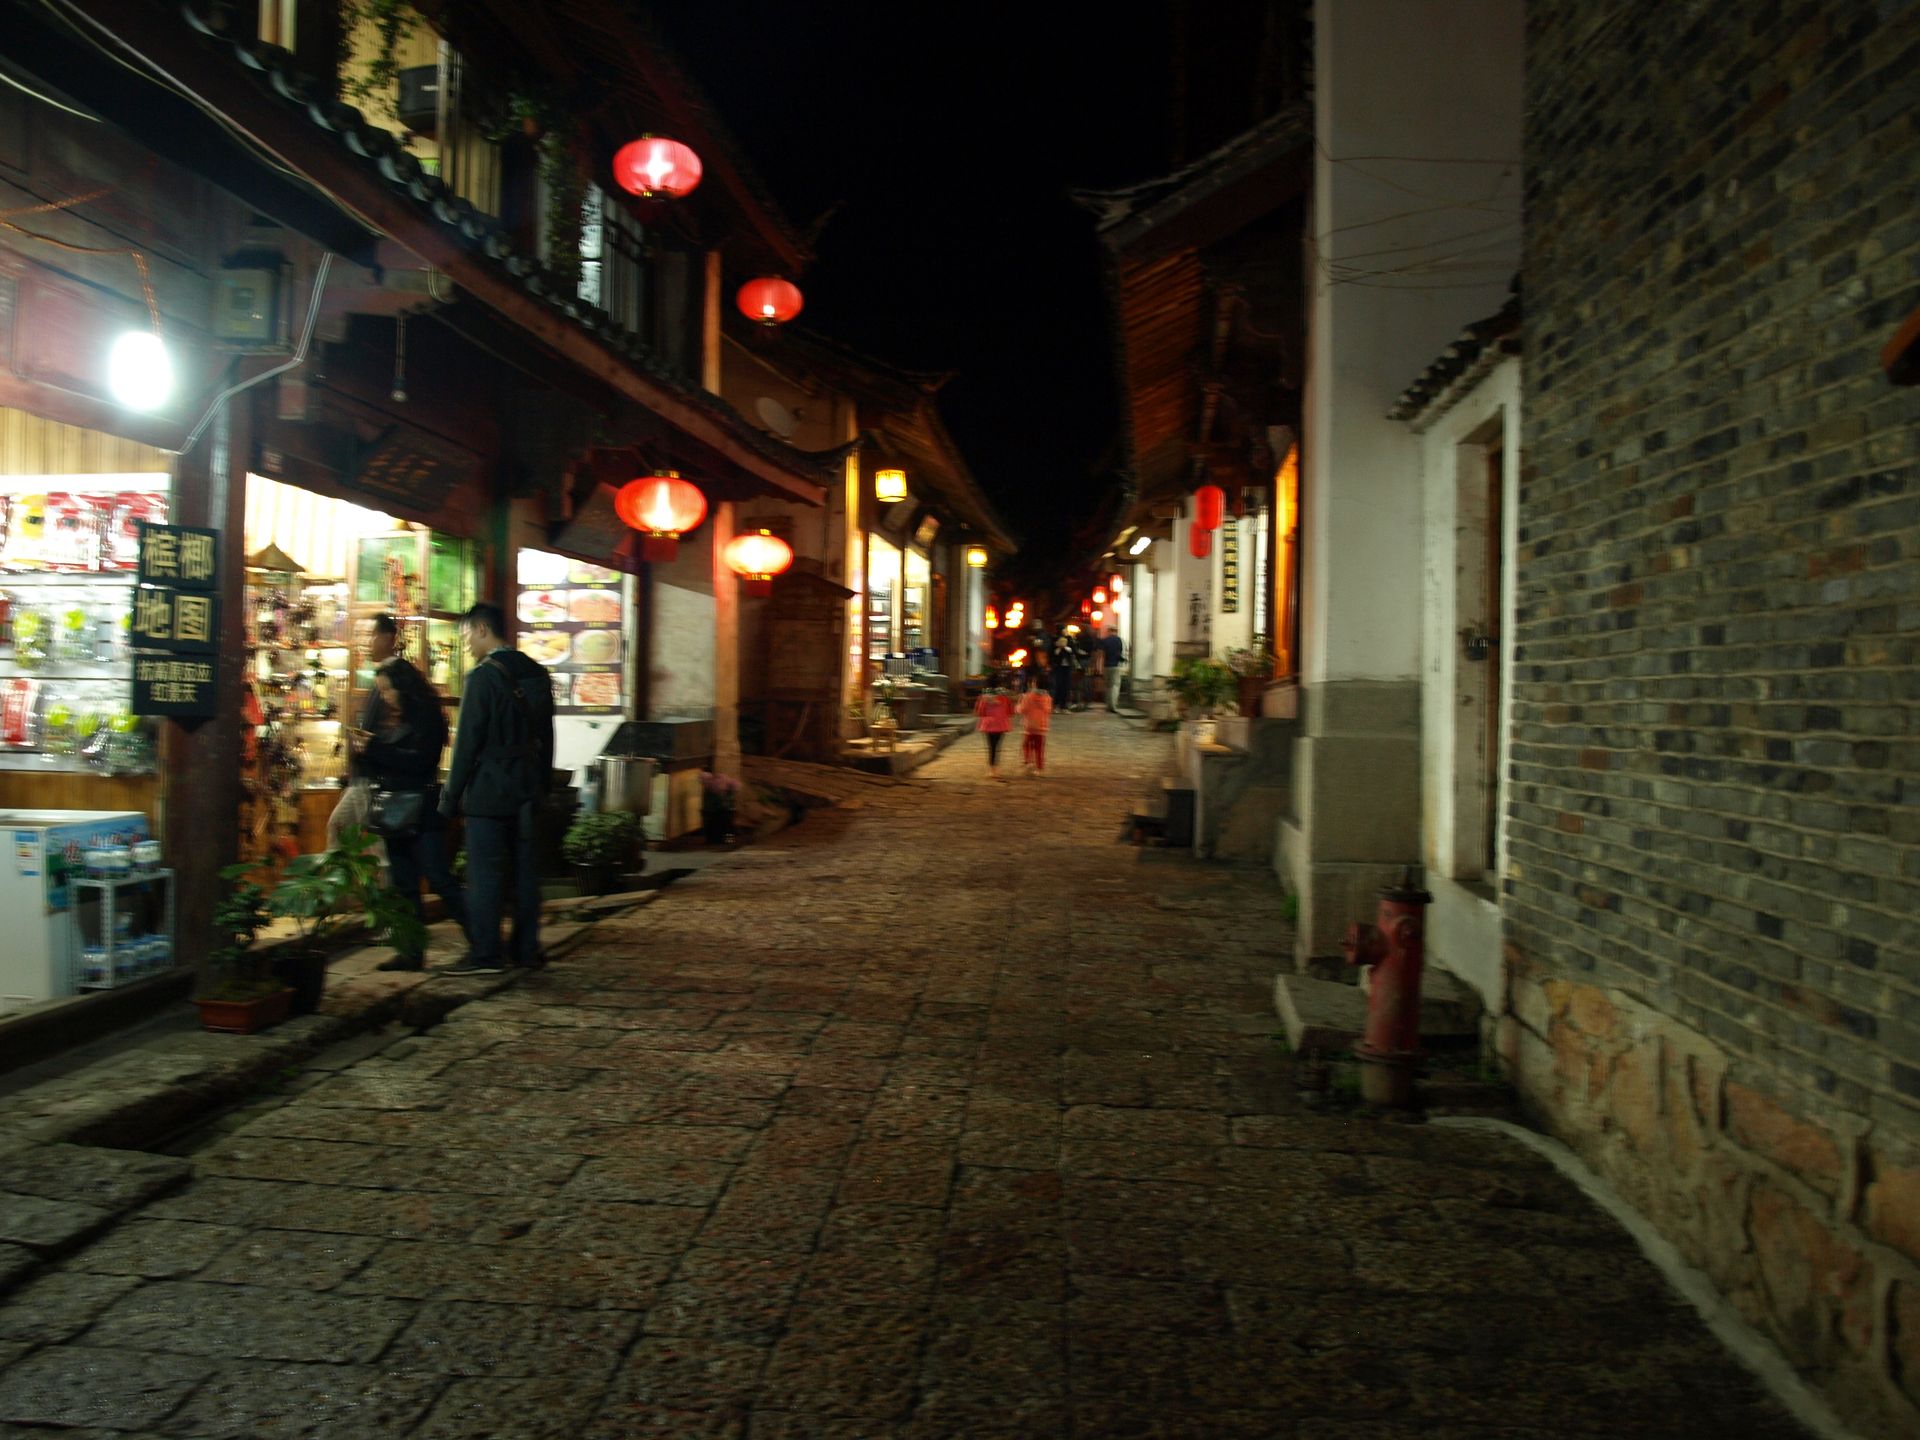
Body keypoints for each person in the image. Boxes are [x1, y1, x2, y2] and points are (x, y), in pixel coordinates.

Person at [439, 602, 554, 974]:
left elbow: (467, 744)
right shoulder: (536, 672)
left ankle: (486, 954)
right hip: (528, 786)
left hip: (489, 790)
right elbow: (546, 737)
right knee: (526, 872)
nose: (467, 645)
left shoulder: (483, 677)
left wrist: (449, 799)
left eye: (467, 636)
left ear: (482, 629)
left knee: (485, 873)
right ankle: (526, 949)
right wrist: (542, 785)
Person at [352, 658, 468, 971]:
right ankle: (410, 952)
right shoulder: (395, 717)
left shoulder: (428, 716)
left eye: (387, 690)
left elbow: (420, 761)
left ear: (403, 687)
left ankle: (482, 941)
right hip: (395, 809)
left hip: (421, 809)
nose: (385, 697)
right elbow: (389, 760)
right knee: (404, 883)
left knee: (439, 878)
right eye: (381, 691)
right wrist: (364, 751)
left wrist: (375, 748)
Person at [327, 613, 400, 849]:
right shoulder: (381, 676)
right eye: (361, 635)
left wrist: (370, 746)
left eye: (370, 634)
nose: (364, 641)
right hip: (363, 777)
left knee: (374, 844)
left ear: (387, 638)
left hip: (374, 778)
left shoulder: (396, 676)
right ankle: (341, 873)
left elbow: (394, 727)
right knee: (339, 827)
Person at [974, 673, 1015, 782]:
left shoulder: (984, 697)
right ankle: (996, 769)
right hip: (1001, 724)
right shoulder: (1005, 697)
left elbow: (980, 712)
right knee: (997, 746)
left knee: (991, 746)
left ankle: (991, 770)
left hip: (988, 725)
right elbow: (1010, 711)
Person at [1016, 668, 1053, 777]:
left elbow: (1022, 709)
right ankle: (1039, 769)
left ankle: (1028, 761)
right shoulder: (1048, 698)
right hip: (1041, 727)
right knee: (1039, 749)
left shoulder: (1028, 696)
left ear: (1035, 684)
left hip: (1029, 726)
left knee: (1026, 745)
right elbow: (1048, 711)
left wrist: (1018, 705)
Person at [1050, 630, 1077, 712]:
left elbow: (1072, 652)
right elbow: (1054, 657)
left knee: (1066, 687)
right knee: (1058, 686)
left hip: (1067, 668)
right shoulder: (1056, 650)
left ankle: (1064, 706)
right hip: (1059, 669)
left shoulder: (1068, 648)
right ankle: (1057, 705)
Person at [1102, 626, 1127, 712]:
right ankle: (1113, 705)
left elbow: (1102, 653)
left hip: (1107, 665)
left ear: (1109, 631)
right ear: (1116, 631)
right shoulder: (1119, 640)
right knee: (1115, 685)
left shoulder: (1105, 640)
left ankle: (1108, 705)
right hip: (1116, 665)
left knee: (1108, 686)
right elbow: (1121, 653)